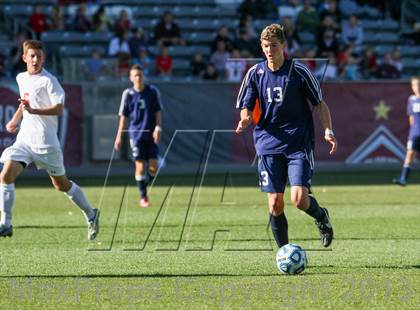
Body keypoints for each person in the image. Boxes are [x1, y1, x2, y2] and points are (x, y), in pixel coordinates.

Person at [235, 24, 337, 249]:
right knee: (274, 203)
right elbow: (245, 104)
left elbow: (320, 104)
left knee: (299, 199)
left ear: (283, 46)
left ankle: (321, 216)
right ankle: (284, 252)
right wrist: (245, 118)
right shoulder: (254, 74)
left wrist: (328, 130)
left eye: (273, 45)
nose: (269, 50)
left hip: (297, 143)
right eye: (265, 46)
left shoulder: (298, 71)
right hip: (267, 144)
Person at [0, 40, 99, 239]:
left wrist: (34, 110)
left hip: (46, 143)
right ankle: (6, 223)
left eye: (40, 56)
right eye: (32, 56)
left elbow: (59, 108)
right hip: (25, 140)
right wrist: (15, 119)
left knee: (61, 185)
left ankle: (91, 213)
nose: (36, 60)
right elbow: (24, 103)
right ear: (24, 57)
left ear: (44, 58)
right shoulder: (21, 78)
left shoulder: (49, 81)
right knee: (6, 175)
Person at [114, 65, 163, 207]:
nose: (138, 78)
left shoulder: (152, 91)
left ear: (143, 76)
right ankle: (143, 196)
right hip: (135, 134)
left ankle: (145, 184)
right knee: (140, 166)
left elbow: (158, 111)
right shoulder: (128, 94)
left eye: (140, 75)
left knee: (153, 167)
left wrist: (158, 127)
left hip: (151, 133)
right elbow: (124, 116)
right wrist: (119, 136)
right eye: (135, 75)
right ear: (130, 78)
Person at [393, 77, 420, 186]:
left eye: (418, 84)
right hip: (415, 133)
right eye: (414, 85)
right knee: (409, 154)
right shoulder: (411, 99)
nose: (416, 87)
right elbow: (411, 118)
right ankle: (403, 179)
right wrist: (411, 133)